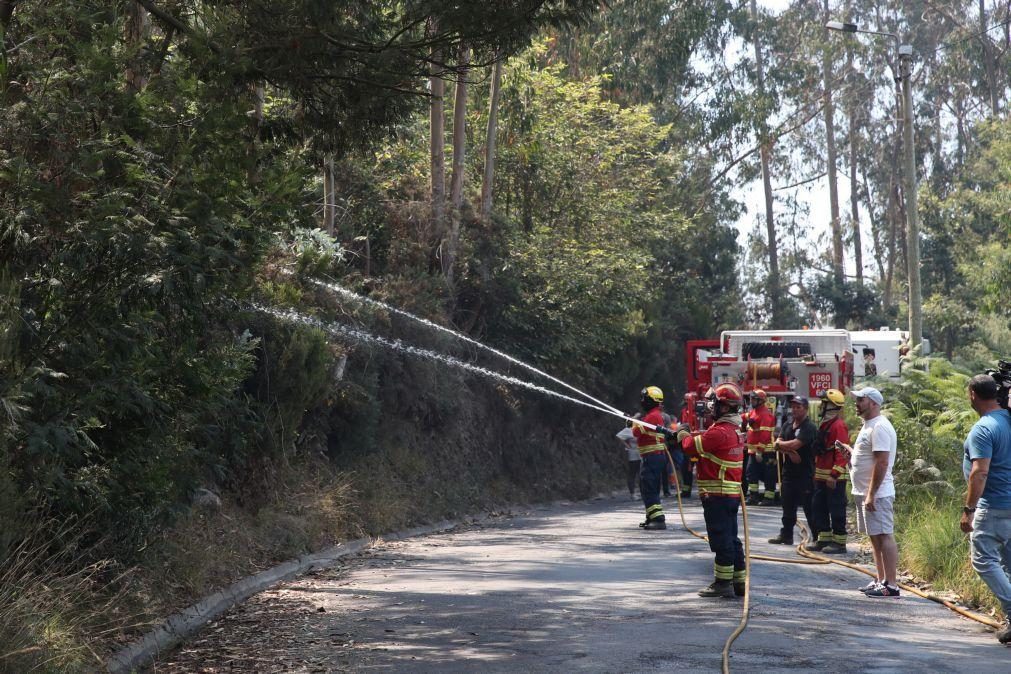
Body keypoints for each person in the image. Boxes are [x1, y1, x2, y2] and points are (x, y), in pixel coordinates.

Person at [675, 382, 747, 598]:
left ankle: (722, 582)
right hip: (728, 495)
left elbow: (689, 446)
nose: (710, 407)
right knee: (732, 538)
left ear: (724, 408)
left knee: (721, 539)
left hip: (718, 495)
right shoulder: (732, 429)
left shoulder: (721, 432)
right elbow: (705, 443)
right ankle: (739, 581)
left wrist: (681, 435)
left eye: (714, 403)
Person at [960, 374, 1011, 642]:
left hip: (994, 507)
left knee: (984, 561)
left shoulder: (983, 428)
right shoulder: (1007, 420)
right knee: (1009, 564)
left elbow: (979, 472)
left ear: (972, 394)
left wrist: (969, 509)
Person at [838, 386, 900, 598]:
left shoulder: (880, 427)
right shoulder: (868, 426)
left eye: (861, 400)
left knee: (884, 535)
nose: (856, 403)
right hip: (864, 491)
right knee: (874, 537)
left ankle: (891, 584)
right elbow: (869, 459)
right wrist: (851, 458)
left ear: (873, 403)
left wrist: (872, 494)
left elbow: (882, 463)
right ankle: (881, 579)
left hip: (877, 493)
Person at [768, 396, 817, 546]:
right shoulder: (787, 425)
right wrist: (790, 452)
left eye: (798, 407)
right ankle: (786, 535)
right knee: (787, 505)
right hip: (789, 473)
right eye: (793, 407)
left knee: (809, 507)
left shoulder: (809, 427)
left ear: (806, 409)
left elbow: (796, 444)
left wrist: (784, 446)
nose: (795, 409)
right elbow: (777, 442)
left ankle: (817, 537)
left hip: (805, 473)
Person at [808, 389, 850, 554]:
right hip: (822, 476)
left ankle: (839, 543)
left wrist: (834, 475)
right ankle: (823, 539)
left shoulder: (838, 426)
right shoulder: (826, 424)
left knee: (836, 508)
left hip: (834, 478)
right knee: (819, 507)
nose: (820, 406)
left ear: (831, 406)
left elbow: (842, 453)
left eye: (823, 403)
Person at [632, 386, 668, 530]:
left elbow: (636, 432)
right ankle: (652, 516)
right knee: (648, 487)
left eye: (645, 399)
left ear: (651, 401)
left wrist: (634, 421)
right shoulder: (654, 415)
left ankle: (658, 519)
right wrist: (635, 421)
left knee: (649, 488)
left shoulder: (653, 416)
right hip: (653, 457)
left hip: (652, 458)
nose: (642, 402)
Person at [743, 390, 776, 506]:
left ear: (761, 401)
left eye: (754, 399)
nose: (751, 401)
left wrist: (760, 451)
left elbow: (765, 435)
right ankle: (753, 496)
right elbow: (744, 417)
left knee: (769, 475)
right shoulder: (754, 412)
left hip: (766, 451)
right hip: (753, 450)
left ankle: (769, 498)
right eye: (751, 399)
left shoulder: (765, 415)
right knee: (751, 473)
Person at [616, 427, 640, 500]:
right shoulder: (629, 429)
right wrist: (627, 446)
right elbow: (619, 436)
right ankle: (632, 494)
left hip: (642, 453)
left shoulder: (642, 427)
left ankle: (644, 492)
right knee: (632, 474)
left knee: (642, 474)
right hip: (633, 453)